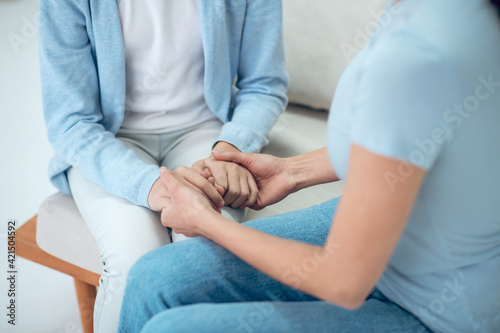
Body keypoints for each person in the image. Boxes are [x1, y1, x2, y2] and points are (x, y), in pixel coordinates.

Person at [118, 0, 500, 332]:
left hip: (445, 310)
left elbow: (344, 280)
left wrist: (205, 222)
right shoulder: (431, 11)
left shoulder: (415, 57)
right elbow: (409, 140)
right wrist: (291, 171)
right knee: (154, 277)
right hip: (399, 227)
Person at [38, 0, 288, 331]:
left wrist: (232, 147)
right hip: (108, 141)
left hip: (207, 134)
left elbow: (264, 84)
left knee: (206, 253)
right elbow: (71, 121)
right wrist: (149, 185)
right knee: (133, 261)